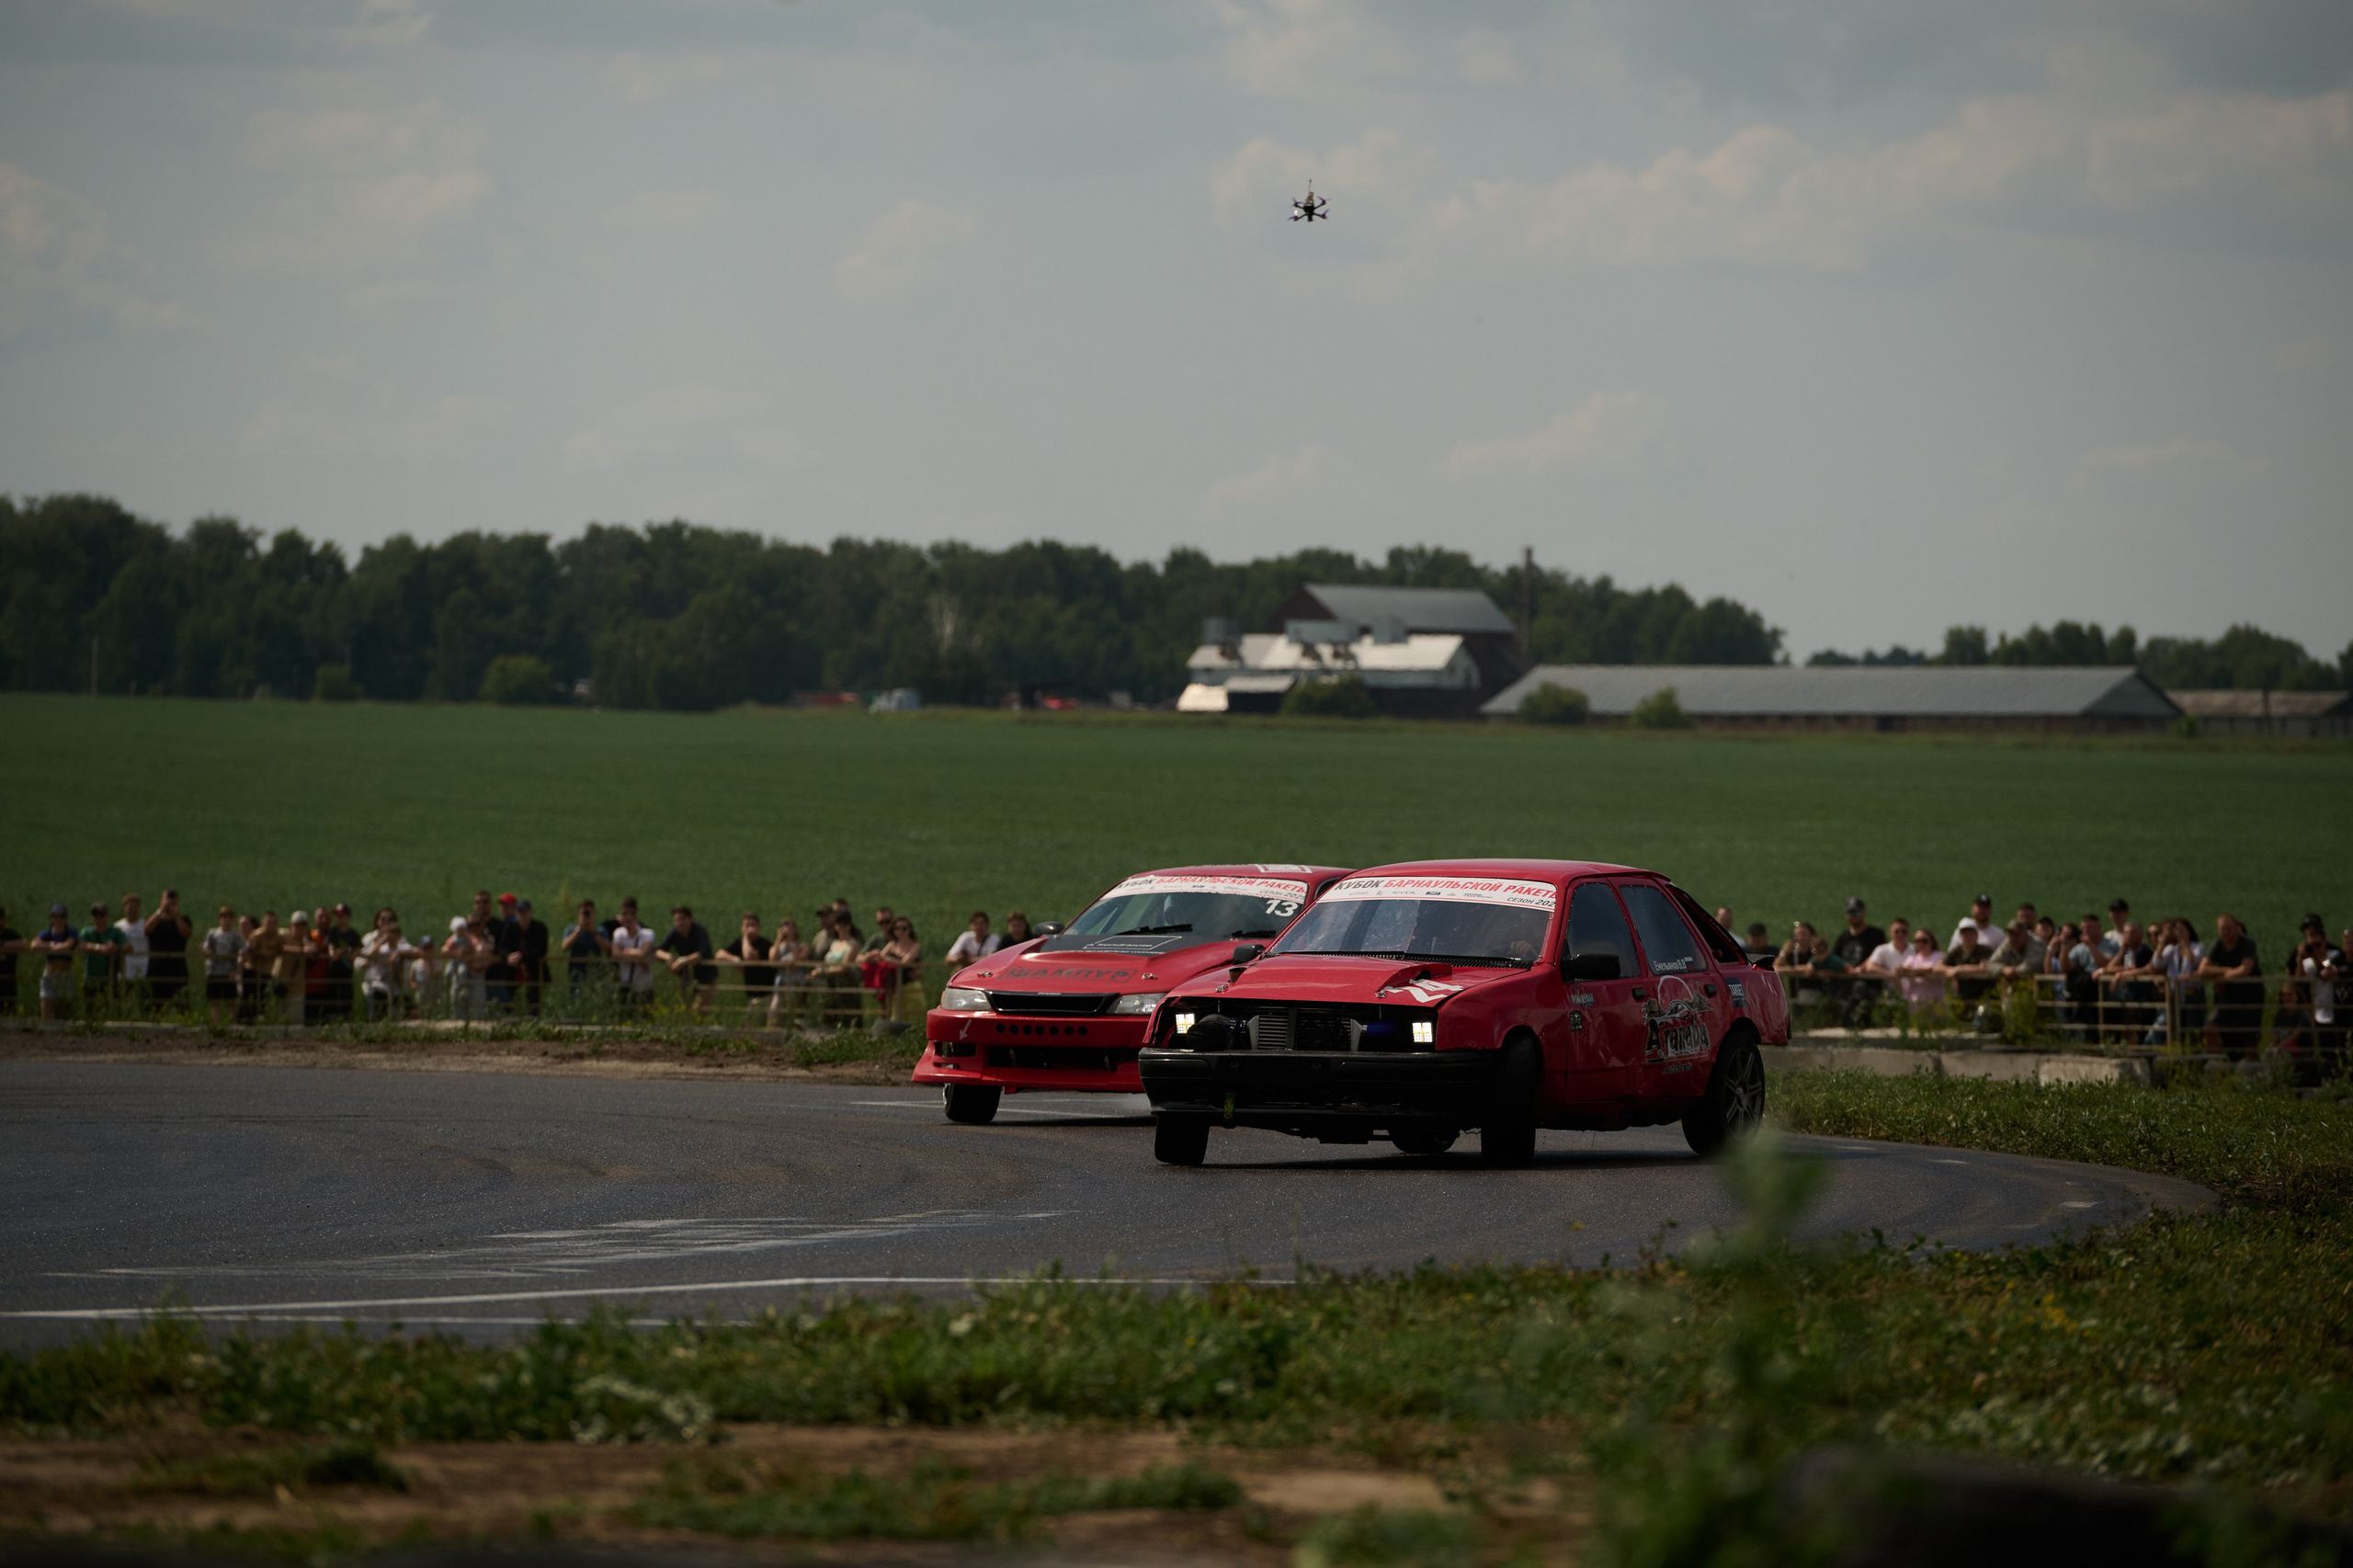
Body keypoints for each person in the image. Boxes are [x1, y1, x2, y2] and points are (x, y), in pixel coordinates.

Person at [2194, 915, 2263, 1057]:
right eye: (2222, 928)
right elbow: (2203, 970)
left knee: (2249, 1036)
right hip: (2227, 997)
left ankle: (2252, 1068)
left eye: (2229, 928)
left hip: (2250, 996)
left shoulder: (2247, 944)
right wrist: (2228, 971)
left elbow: (2244, 970)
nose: (2226, 932)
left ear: (2236, 928)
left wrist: (2221, 977)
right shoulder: (2218, 945)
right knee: (2210, 1028)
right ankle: (2218, 1063)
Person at [1831, 897, 1886, 1026]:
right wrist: (1846, 968)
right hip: (1845, 984)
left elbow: (1877, 955)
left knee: (1859, 989)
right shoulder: (1843, 937)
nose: (1853, 915)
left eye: (1856, 912)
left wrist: (1859, 969)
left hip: (1868, 984)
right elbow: (1835, 958)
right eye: (1850, 912)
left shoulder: (1876, 934)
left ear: (1863, 913)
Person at [2102, 921, 2158, 1043]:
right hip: (2131, 996)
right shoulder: (2129, 952)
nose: (2128, 936)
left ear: (2140, 935)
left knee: (2143, 1029)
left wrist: (2117, 974)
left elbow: (2134, 969)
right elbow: (2127, 968)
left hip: (2144, 996)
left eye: (2132, 933)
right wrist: (2122, 951)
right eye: (2126, 933)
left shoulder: (2144, 952)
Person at [715, 912, 776, 1019]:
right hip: (753, 994)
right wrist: (735, 959)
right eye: (746, 925)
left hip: (767, 994)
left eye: (752, 925)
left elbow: (749, 957)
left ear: (758, 927)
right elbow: (719, 954)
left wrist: (746, 938)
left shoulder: (764, 944)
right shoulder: (740, 943)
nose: (749, 928)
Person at [358, 907, 412, 1022]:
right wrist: (381, 942)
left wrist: (398, 953)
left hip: (395, 987)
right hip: (375, 986)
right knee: (377, 1018)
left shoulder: (401, 940)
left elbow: (412, 951)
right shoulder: (369, 939)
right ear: (377, 921)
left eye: (390, 919)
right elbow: (362, 959)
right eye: (382, 919)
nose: (386, 922)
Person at [660, 904, 717, 1012]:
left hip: (706, 979)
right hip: (687, 979)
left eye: (683, 919)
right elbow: (658, 950)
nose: (680, 923)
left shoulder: (700, 931)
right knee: (686, 1010)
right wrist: (667, 957)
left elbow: (703, 952)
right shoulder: (674, 933)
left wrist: (683, 960)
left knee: (698, 1010)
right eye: (677, 920)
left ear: (690, 919)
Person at [144, 888, 193, 1011]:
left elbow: (186, 933)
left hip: (178, 969)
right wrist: (161, 911)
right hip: (157, 969)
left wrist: (176, 915)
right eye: (167, 899)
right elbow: (147, 930)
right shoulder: (155, 919)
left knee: (182, 1005)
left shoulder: (184, 920)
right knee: (156, 1006)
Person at [31, 904, 79, 1018]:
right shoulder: (46, 933)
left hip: (65, 975)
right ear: (51, 918)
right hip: (49, 975)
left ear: (66, 918)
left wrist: (48, 947)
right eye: (55, 916)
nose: (58, 919)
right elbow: (34, 945)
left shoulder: (71, 932)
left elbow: (68, 945)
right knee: (46, 1009)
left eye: (62, 916)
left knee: (68, 1009)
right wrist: (53, 945)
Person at [609, 900, 657, 1012]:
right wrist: (636, 954)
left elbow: (643, 953)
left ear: (635, 919)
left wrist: (626, 952)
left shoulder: (647, 934)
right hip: (626, 983)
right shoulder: (619, 933)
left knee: (646, 1016)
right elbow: (615, 953)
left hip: (644, 985)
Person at [767, 915, 814, 1028]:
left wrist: (791, 942)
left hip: (797, 981)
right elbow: (772, 962)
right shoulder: (776, 947)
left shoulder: (803, 946)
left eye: (789, 926)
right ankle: (772, 1029)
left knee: (795, 1007)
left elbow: (799, 962)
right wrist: (779, 940)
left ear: (795, 929)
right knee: (775, 1007)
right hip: (781, 982)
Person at [877, 915, 925, 1023]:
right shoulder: (892, 944)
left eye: (904, 928)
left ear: (910, 929)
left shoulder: (915, 945)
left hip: (911, 986)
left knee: (914, 1015)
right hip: (896, 987)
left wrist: (888, 959)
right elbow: (880, 956)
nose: (901, 931)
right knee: (896, 1016)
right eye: (897, 928)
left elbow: (904, 962)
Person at [202, 905, 244, 1023]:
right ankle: (216, 1025)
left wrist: (237, 970)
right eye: (224, 918)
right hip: (213, 971)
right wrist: (209, 953)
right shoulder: (212, 934)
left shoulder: (236, 936)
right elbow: (205, 949)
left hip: (228, 973)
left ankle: (233, 1025)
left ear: (233, 920)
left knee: (230, 1002)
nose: (226, 921)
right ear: (219, 919)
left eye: (229, 918)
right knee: (215, 1002)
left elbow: (244, 952)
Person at [319, 904, 362, 1021]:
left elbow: (358, 947)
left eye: (342, 916)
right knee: (332, 994)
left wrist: (352, 956)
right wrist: (333, 953)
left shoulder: (352, 933)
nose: (339, 919)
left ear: (348, 917)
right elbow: (330, 946)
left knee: (347, 994)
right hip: (334, 970)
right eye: (338, 916)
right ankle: (332, 1017)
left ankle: (348, 1016)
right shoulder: (333, 932)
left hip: (347, 970)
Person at [76, 902, 121, 1010]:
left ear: (107, 915)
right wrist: (100, 948)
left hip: (110, 979)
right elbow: (80, 945)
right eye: (95, 915)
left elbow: (129, 947)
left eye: (102, 914)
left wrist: (115, 948)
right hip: (91, 980)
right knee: (89, 1010)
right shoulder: (86, 932)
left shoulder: (115, 932)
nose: (99, 918)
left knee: (110, 1009)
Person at [563, 900, 608, 1003]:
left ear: (594, 913)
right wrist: (579, 930)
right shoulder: (571, 930)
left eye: (589, 913)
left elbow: (606, 948)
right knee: (576, 1000)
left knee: (596, 999)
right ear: (578, 914)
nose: (586, 916)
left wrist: (593, 932)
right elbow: (565, 947)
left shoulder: (601, 931)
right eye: (584, 913)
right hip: (576, 973)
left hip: (596, 972)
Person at [508, 898, 549, 1016]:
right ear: (516, 913)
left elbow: (542, 950)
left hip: (535, 975)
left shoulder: (539, 928)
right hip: (514, 975)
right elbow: (503, 947)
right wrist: (509, 957)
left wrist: (522, 957)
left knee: (534, 1006)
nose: (523, 915)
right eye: (520, 912)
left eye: (525, 911)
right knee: (513, 1007)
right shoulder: (511, 928)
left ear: (530, 912)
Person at [1896, 925, 1948, 1014]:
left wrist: (1914, 972)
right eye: (1918, 941)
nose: (1921, 944)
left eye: (1924, 941)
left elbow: (1935, 968)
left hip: (1935, 1001)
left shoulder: (1938, 956)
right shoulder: (1912, 958)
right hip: (1915, 1001)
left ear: (1931, 942)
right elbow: (1905, 970)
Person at [279, 909, 317, 1025]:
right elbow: (279, 947)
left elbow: (313, 955)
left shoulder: (309, 942)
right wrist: (300, 950)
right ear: (291, 926)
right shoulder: (283, 936)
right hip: (280, 986)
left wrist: (306, 944)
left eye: (303, 926)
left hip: (297, 988)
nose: (299, 929)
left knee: (296, 1023)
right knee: (277, 1021)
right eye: (297, 926)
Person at [246, 910, 285, 1021]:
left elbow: (281, 948)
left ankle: (263, 1019)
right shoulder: (256, 936)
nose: (271, 926)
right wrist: (262, 953)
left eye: (274, 923)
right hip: (253, 971)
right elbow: (250, 952)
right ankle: (247, 1019)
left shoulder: (278, 937)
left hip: (267, 972)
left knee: (264, 999)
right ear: (264, 923)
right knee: (251, 999)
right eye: (269, 922)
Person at [113, 892, 151, 1005]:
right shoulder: (117, 927)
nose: (132, 908)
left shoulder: (145, 925)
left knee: (143, 1001)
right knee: (123, 1000)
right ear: (123, 907)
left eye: (135, 905)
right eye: (129, 905)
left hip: (142, 969)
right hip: (125, 970)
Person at [0, 907, 24, 1018]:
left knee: (9, 1015)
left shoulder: (10, 934)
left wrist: (3, 945)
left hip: (8, 985)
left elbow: (24, 944)